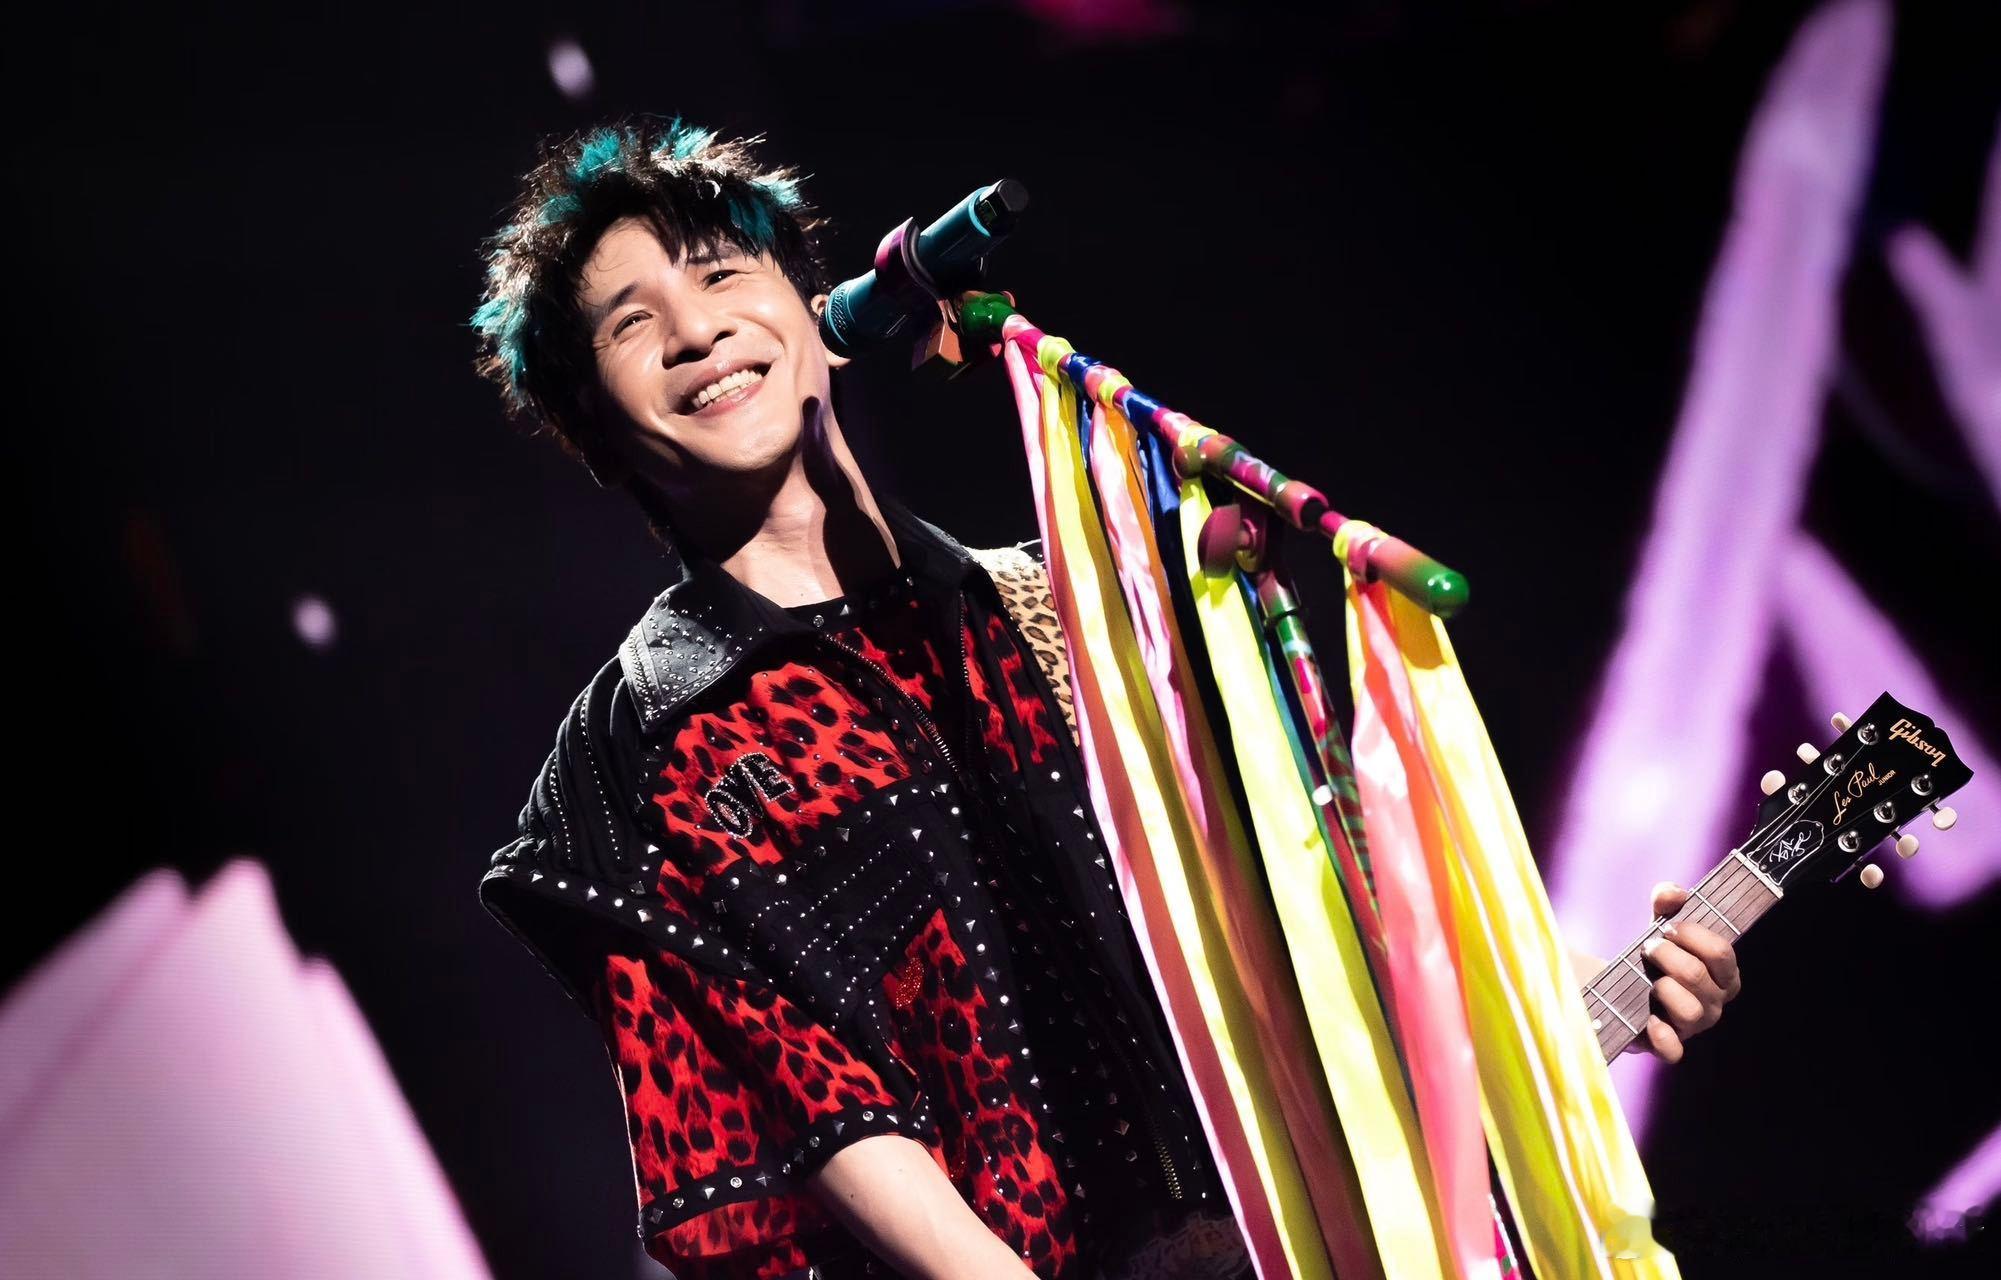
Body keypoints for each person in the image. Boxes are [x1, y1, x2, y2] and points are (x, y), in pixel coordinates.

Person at [470, 117, 1741, 1280]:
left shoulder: (1087, 596)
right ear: (592, 425)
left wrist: (1562, 984)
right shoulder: (641, 751)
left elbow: (1318, 883)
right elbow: (817, 1097)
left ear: (817, 312)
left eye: (718, 275)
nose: (694, 330)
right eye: (630, 323)